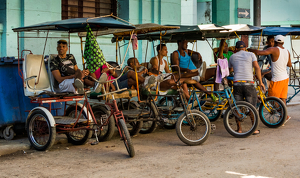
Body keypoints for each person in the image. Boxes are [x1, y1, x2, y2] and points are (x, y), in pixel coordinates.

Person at [248, 35, 292, 125]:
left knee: (272, 100)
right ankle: (283, 117)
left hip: (277, 79)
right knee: (282, 98)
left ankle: (284, 116)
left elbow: (260, 53)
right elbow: (290, 64)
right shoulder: (287, 51)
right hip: (285, 78)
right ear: (283, 43)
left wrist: (250, 50)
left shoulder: (274, 49)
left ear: (275, 42)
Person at [229, 41, 265, 135]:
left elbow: (230, 70)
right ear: (245, 47)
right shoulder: (251, 54)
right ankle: (254, 129)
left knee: (237, 107)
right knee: (252, 107)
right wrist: (261, 82)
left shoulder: (232, 56)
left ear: (236, 49)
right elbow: (257, 67)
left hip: (237, 84)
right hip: (248, 83)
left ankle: (239, 129)